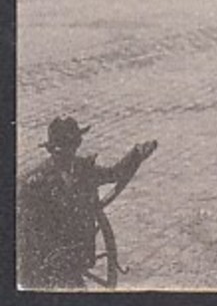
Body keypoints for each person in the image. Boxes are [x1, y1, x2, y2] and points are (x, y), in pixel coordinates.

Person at [17, 117, 158, 289]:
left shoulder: (83, 169)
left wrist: (136, 155)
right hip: (46, 262)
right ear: (53, 150)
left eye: (71, 147)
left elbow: (114, 174)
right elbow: (26, 233)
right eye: (62, 149)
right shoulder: (34, 183)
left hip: (77, 251)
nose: (67, 153)